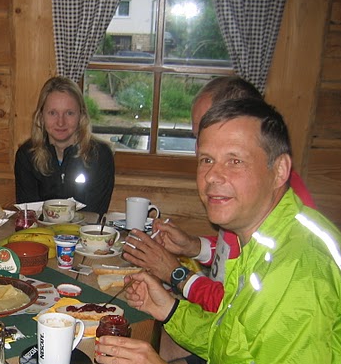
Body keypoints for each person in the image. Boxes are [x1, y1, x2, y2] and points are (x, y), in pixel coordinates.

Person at [97, 99, 341, 364]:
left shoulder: (302, 270)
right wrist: (169, 309)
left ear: (279, 170)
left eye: (235, 160)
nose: (213, 177)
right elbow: (239, 342)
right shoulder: (267, 239)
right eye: (206, 160)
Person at [123, 76, 316, 314]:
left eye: (234, 159)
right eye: (199, 138)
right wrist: (193, 246)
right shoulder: (256, 203)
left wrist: (175, 273)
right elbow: (231, 262)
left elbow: (234, 308)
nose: (211, 175)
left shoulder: (297, 253)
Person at [14, 76, 114, 215]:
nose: (60, 122)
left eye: (69, 113)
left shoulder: (100, 155)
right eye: (52, 113)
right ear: (41, 116)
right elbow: (29, 214)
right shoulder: (26, 155)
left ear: (81, 116)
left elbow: (94, 214)